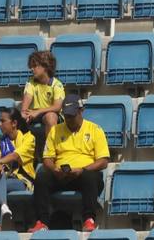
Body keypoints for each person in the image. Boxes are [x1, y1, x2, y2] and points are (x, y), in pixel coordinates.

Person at [30, 95, 109, 232]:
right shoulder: (55, 130)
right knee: (42, 178)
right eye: (66, 116)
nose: (69, 120)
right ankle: (42, 222)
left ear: (81, 111)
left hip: (83, 174)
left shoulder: (95, 129)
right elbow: (47, 159)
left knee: (90, 176)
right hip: (61, 174)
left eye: (72, 116)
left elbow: (103, 161)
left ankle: (89, 220)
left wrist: (82, 169)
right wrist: (55, 170)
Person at [0, 107, 36, 231]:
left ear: (14, 123)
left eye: (3, 121)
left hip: (23, 180)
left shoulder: (29, 138)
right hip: (4, 178)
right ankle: (4, 206)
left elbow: (15, 155)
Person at [21, 50, 64, 158]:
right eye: (31, 66)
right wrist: (25, 114)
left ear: (45, 66)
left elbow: (57, 107)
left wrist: (38, 111)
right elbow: (25, 106)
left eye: (35, 66)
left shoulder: (56, 84)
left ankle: (50, 153)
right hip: (34, 114)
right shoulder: (31, 83)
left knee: (50, 117)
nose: (32, 69)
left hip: (50, 113)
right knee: (18, 117)